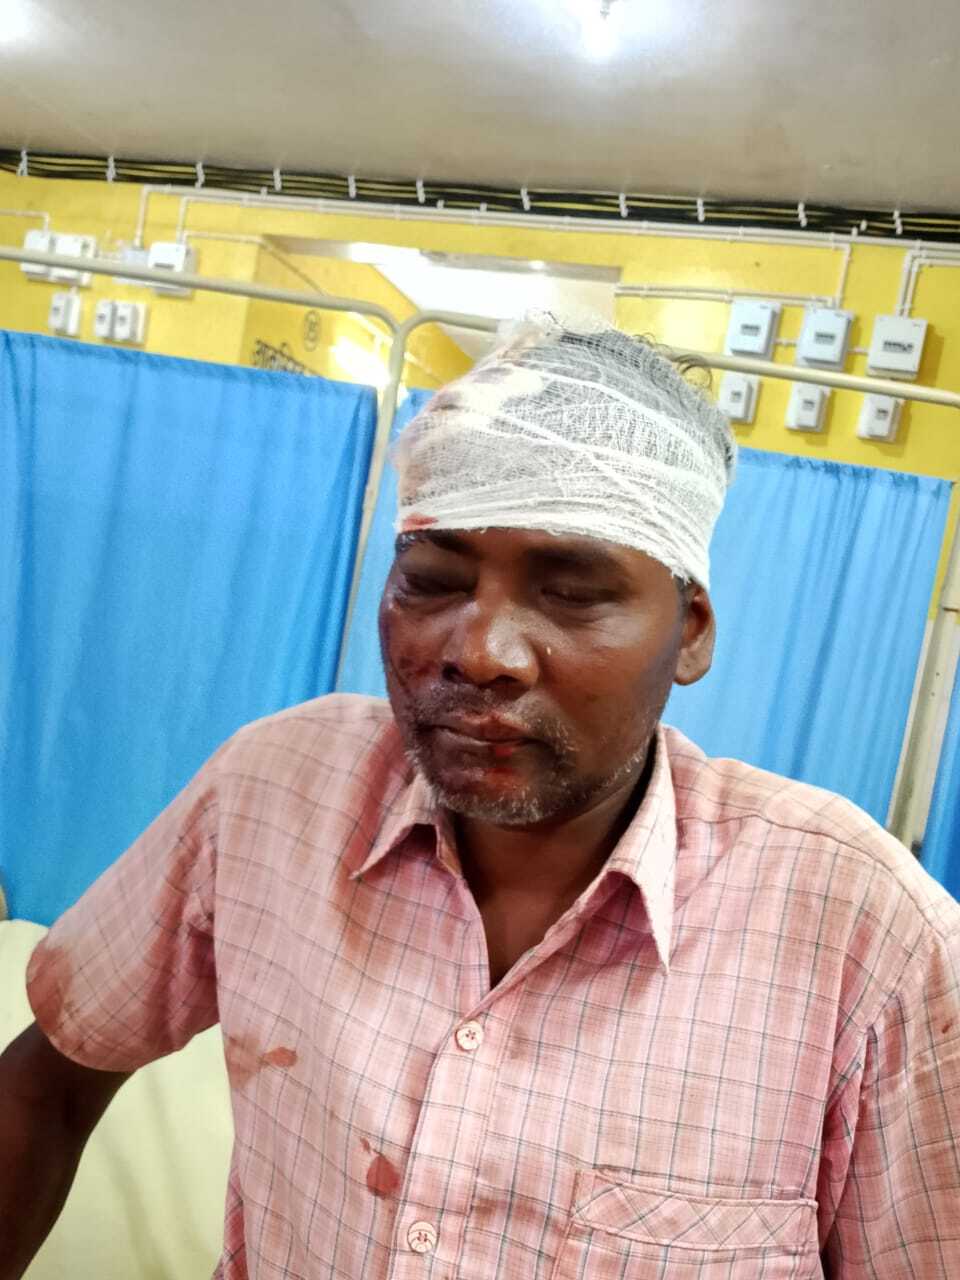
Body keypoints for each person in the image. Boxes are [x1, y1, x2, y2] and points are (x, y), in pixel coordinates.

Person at [2, 313, 958, 1280]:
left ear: (692, 632)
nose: (479, 652)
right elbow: (48, 1081)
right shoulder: (274, 794)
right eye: (431, 580)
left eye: (571, 593)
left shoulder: (861, 937)